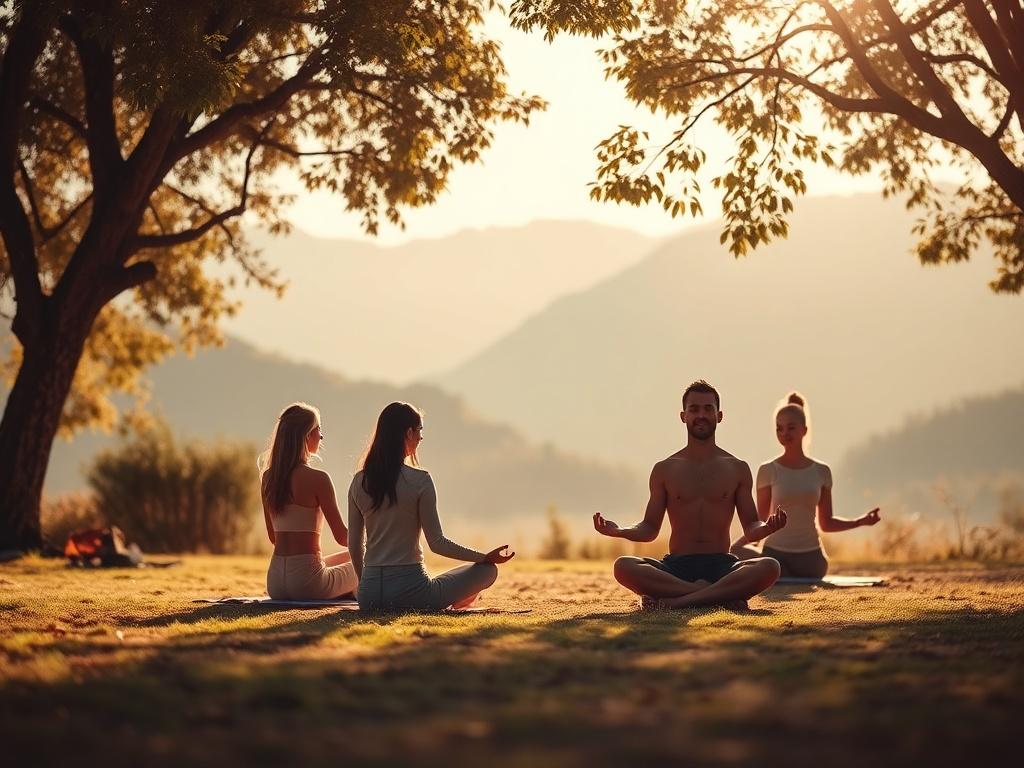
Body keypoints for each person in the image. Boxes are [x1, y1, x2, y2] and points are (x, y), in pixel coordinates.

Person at [593, 380, 787, 610]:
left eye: (708, 409)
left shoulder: (737, 468)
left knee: (770, 566)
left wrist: (769, 526)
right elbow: (649, 528)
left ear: (719, 415)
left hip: (722, 566)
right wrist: (619, 530)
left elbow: (752, 527)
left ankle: (677, 602)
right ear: (683, 416)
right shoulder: (664, 469)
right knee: (623, 566)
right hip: (676, 567)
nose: (701, 415)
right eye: (694, 409)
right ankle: (720, 597)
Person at [348, 402, 514, 611]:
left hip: (369, 596)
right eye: (419, 431)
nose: (421, 438)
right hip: (411, 593)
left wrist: (366, 585)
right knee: (487, 570)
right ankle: (456, 601)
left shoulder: (358, 481)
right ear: (409, 432)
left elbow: (354, 544)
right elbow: (437, 543)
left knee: (456, 575)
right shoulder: (420, 480)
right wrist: (484, 558)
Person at [730, 392, 880, 578]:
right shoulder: (768, 470)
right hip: (776, 555)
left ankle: (776, 572)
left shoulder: (821, 471)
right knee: (737, 552)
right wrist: (736, 547)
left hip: (812, 560)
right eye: (779, 429)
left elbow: (826, 523)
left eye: (791, 428)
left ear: (804, 430)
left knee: (749, 559)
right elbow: (761, 520)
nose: (785, 433)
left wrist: (861, 521)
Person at [260, 403, 358, 600]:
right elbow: (342, 537)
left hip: (276, 582)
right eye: (319, 429)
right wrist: (376, 543)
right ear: (306, 436)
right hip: (309, 584)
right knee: (374, 560)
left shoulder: (269, 477)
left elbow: (274, 538)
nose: (321, 436)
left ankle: (352, 590)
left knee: (351, 557)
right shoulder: (318, 479)